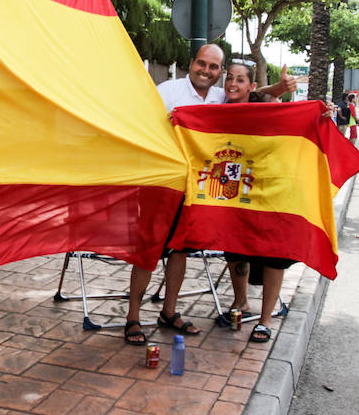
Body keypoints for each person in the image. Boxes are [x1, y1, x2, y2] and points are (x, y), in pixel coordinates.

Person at [123, 45, 297, 345]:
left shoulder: (220, 97)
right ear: (191, 64)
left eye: (214, 67)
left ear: (219, 72)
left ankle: (169, 312)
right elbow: (137, 123)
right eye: (202, 64)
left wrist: (281, 89)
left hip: (194, 190)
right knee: (149, 251)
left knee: (180, 250)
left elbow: (247, 93)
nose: (206, 70)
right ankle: (133, 318)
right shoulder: (167, 91)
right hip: (160, 185)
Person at [220, 61, 297, 343]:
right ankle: (241, 302)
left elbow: (273, 100)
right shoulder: (218, 105)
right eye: (229, 78)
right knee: (234, 247)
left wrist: (320, 115)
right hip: (234, 186)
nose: (233, 84)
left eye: (240, 80)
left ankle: (265, 319)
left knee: (274, 250)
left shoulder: (264, 103)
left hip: (270, 184)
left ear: (251, 87)